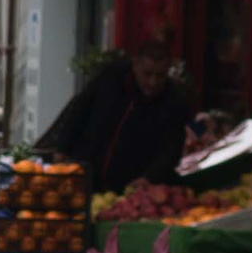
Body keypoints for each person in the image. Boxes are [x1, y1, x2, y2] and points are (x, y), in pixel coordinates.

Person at [34, 36, 190, 191]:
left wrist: (149, 178)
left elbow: (171, 149)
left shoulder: (173, 102)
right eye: (147, 74)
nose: (153, 82)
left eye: (160, 75)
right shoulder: (111, 77)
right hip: (85, 171)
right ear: (135, 65)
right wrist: (62, 148)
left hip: (129, 186)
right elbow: (79, 108)